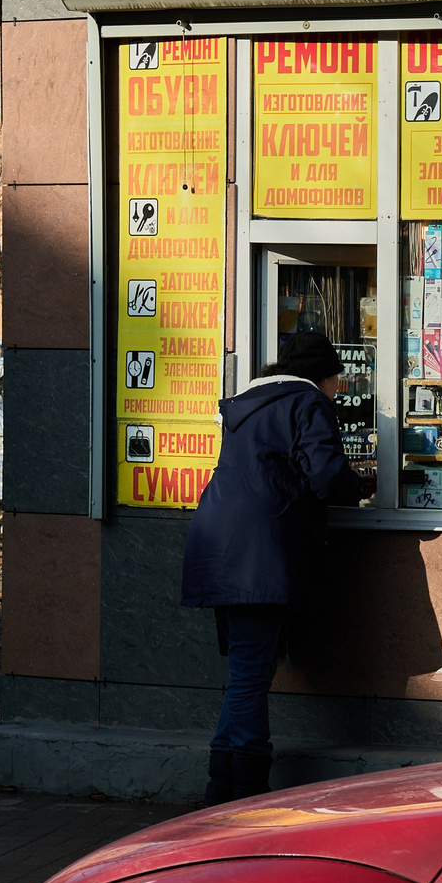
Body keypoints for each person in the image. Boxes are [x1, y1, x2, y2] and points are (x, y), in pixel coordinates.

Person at [179, 330, 372, 805]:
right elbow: (326, 477)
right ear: (321, 376)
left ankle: (223, 786)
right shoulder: (307, 402)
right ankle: (244, 790)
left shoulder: (250, 404)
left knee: (247, 672)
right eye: (336, 380)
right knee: (250, 674)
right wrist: (363, 485)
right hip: (258, 551)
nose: (338, 390)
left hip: (219, 543)